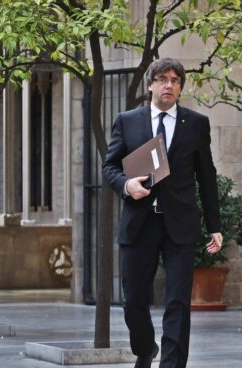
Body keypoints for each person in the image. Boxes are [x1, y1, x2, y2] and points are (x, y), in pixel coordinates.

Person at [102, 57, 223, 368]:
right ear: (150, 84)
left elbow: (206, 177)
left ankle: (172, 364)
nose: (169, 85)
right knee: (134, 302)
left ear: (180, 88)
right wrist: (128, 185)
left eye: (175, 80)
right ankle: (145, 348)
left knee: (178, 302)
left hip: (179, 224)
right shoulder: (127, 120)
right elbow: (110, 167)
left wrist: (214, 225)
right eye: (163, 79)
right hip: (139, 223)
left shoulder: (196, 124)